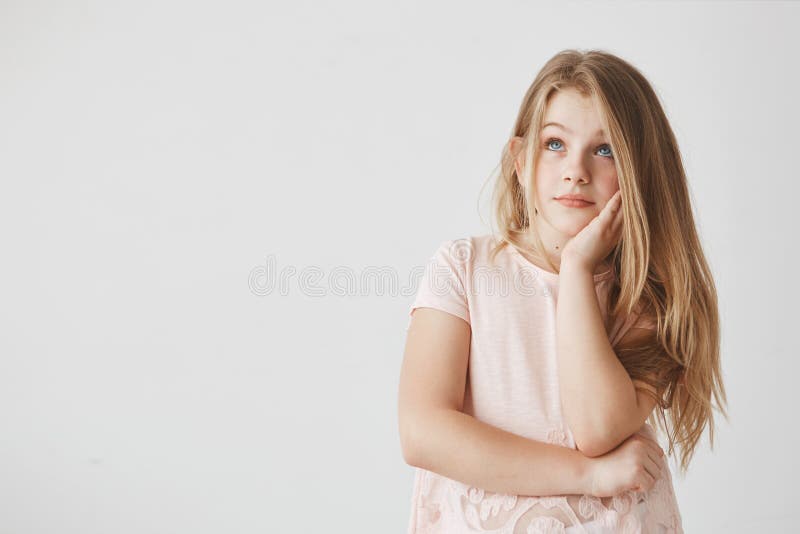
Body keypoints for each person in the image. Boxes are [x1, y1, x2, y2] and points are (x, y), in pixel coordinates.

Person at [398, 49, 728, 533]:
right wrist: (589, 475)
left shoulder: (647, 299)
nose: (576, 170)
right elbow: (423, 432)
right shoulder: (463, 269)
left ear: (641, 174)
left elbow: (596, 428)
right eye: (555, 144)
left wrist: (576, 269)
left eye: (605, 149)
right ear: (519, 160)